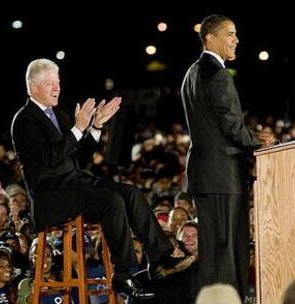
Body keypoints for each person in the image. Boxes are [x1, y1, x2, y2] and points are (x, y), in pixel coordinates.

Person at [11, 58, 189, 300]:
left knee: (131, 192)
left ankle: (158, 259)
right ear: (33, 86)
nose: (57, 88)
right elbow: (51, 158)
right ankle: (124, 274)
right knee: (112, 200)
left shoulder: (61, 116)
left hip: (77, 182)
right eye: (49, 83)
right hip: (52, 194)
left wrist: (94, 127)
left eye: (58, 82)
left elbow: (79, 160)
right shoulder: (24, 120)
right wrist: (77, 129)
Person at [181, 14, 275, 299]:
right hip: (223, 177)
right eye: (230, 34)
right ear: (210, 37)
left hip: (204, 175)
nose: (236, 40)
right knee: (228, 253)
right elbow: (232, 127)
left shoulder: (191, 73)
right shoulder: (217, 74)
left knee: (213, 252)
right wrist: (260, 139)